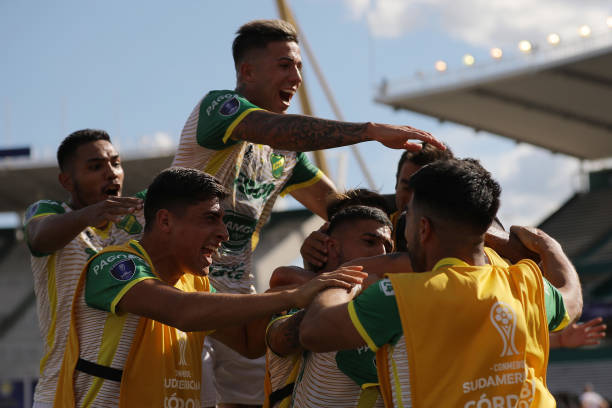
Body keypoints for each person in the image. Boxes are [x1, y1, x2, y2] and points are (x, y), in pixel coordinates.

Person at [172, 19, 443, 407]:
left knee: (249, 398)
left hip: (238, 294)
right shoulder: (219, 108)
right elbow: (275, 129)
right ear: (247, 71)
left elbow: (346, 209)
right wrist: (368, 131)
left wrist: (439, 199)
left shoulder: (286, 156)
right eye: (285, 65)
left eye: (299, 66)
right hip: (179, 281)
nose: (296, 77)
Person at [53, 167, 366, 408]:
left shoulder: (195, 282)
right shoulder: (113, 265)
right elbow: (183, 311)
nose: (224, 234)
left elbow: (247, 341)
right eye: (211, 219)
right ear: (164, 221)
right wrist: (292, 294)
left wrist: (302, 287)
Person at [300, 158, 583, 407]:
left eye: (408, 217)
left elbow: (314, 330)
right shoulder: (525, 283)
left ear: (423, 228)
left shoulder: (403, 296)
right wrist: (550, 248)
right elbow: (572, 301)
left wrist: (341, 276)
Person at [24, 129, 144, 408]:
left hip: (126, 395)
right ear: (66, 180)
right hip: (63, 395)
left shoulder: (135, 224)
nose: (111, 173)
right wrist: (92, 213)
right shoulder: (51, 213)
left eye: (116, 162)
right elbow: (38, 236)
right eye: (95, 166)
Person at [265, 205, 392, 408]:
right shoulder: (296, 295)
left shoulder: (387, 301)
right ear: (332, 247)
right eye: (370, 242)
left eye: (389, 247)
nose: (382, 252)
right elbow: (281, 340)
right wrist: (345, 290)